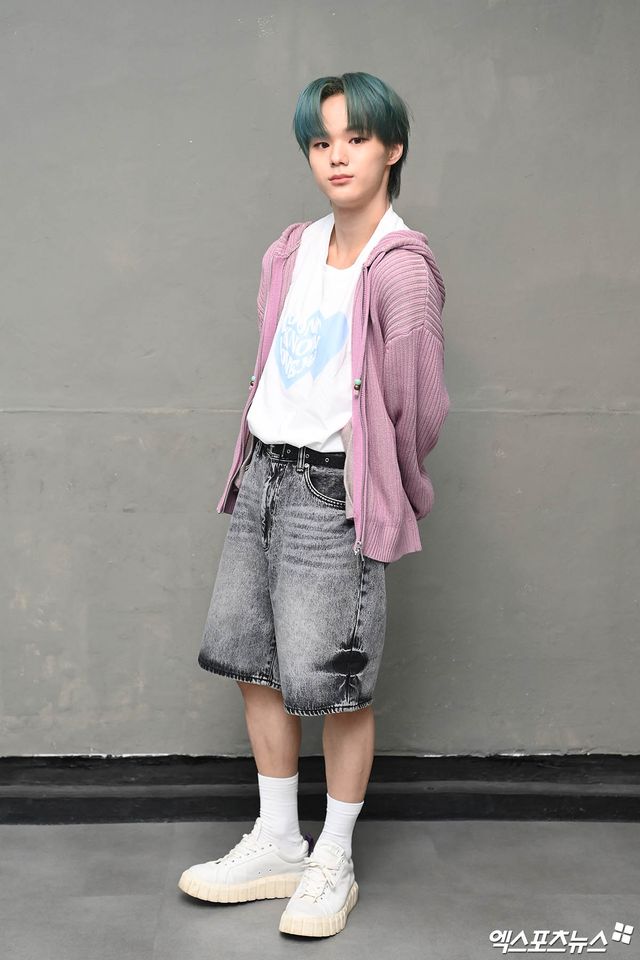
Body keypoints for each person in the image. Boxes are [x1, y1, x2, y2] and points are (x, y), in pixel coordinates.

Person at [178, 72, 450, 938]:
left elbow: (420, 405)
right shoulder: (289, 250)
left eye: (356, 138)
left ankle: (332, 857)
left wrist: (380, 486)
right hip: (263, 473)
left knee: (336, 682)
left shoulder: (401, 269)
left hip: (335, 492)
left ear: (392, 149)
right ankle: (277, 840)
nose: (337, 155)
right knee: (254, 664)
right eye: (321, 140)